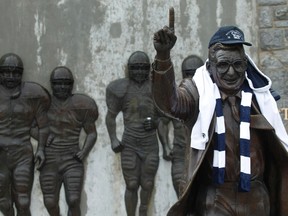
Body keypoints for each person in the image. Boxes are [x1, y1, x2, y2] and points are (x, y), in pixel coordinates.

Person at [152, 25, 288, 216]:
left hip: (256, 198)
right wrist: (163, 56)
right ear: (210, 66)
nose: (231, 73)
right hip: (215, 198)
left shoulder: (260, 97)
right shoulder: (198, 93)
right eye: (223, 65)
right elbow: (170, 104)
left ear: (245, 65)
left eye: (238, 65)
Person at [105, 51, 169, 216]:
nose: (139, 72)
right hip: (130, 143)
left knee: (147, 184)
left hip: (150, 143)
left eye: (143, 68)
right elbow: (110, 117)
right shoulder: (121, 89)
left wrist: (158, 130)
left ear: (149, 69)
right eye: (136, 68)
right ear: (129, 69)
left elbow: (164, 118)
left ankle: (142, 212)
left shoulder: (155, 87)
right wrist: (113, 139)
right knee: (132, 184)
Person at [34, 66, 98, 216]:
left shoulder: (82, 104)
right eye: (58, 83)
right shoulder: (43, 104)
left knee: (74, 199)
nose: (62, 87)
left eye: (66, 83)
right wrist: (42, 138)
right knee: (50, 202)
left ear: (71, 84)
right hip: (49, 159)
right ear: (52, 84)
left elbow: (92, 133)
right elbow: (30, 126)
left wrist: (84, 152)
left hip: (72, 158)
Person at [0, 53, 50, 216]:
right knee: (3, 203)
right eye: (6, 72)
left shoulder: (33, 94)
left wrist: (41, 148)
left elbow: (43, 126)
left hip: (22, 152)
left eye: (15, 73)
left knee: (23, 201)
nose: (11, 77)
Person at [157, 55, 204, 197]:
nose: (191, 77)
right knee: (181, 192)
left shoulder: (212, 96)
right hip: (180, 155)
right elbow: (162, 122)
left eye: (195, 72)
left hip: (203, 154)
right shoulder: (176, 97)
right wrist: (165, 146)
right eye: (188, 73)